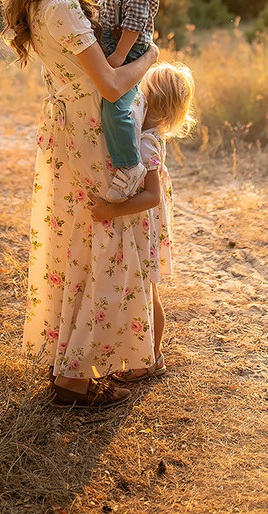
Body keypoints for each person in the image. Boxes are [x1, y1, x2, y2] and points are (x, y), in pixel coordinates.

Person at [0, 0, 159, 409]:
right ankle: (73, 375)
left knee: (75, 240)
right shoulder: (63, 7)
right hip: (91, 130)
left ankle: (77, 360)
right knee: (102, 237)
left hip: (65, 129)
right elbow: (111, 85)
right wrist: (150, 57)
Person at [89, 61, 196, 381]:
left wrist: (111, 211)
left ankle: (152, 359)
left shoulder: (148, 142)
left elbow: (152, 196)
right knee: (142, 290)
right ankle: (146, 355)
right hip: (141, 221)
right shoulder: (146, 131)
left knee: (148, 292)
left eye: (145, 101)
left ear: (162, 114)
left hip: (143, 221)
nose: (137, 104)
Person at [99, 0, 170, 203]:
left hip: (128, 51)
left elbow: (134, 23)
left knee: (117, 106)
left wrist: (118, 56)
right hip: (120, 48)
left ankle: (130, 166)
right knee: (108, 103)